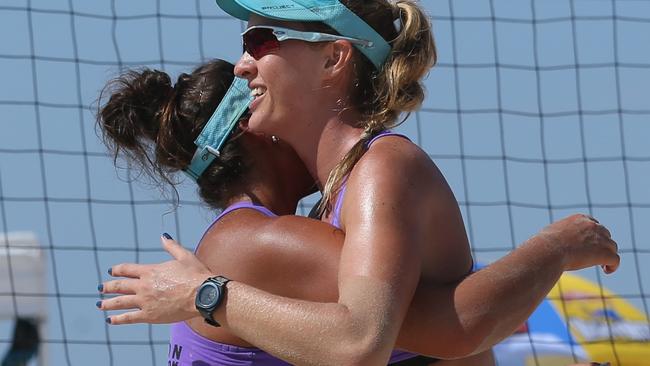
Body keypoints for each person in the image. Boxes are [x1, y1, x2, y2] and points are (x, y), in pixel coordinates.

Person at [99, 1, 619, 364]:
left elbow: (366, 342)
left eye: (262, 40)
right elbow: (412, 333)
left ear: (333, 58)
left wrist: (205, 293)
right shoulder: (321, 207)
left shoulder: (379, 168)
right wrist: (554, 247)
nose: (243, 65)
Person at [96, 59, 491, 365]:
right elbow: (459, 324)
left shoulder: (238, 236)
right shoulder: (259, 242)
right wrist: (553, 245)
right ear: (258, 128)